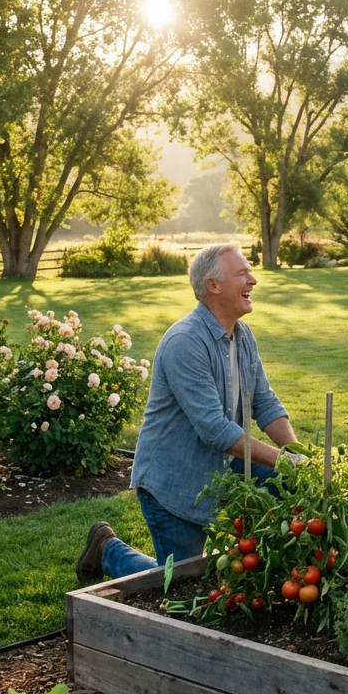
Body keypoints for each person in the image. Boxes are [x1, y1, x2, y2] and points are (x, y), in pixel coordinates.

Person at [76, 242, 300, 584]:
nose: (253, 280)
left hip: (220, 467)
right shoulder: (185, 342)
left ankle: (260, 560)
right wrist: (285, 461)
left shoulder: (242, 336)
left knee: (290, 483)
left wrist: (299, 457)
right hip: (175, 481)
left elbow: (265, 403)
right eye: (242, 273)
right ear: (213, 285)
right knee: (179, 584)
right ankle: (107, 549)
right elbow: (215, 430)